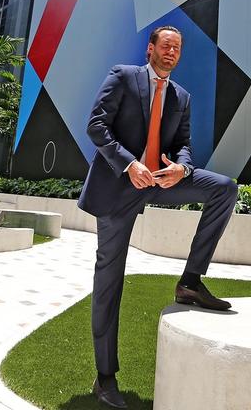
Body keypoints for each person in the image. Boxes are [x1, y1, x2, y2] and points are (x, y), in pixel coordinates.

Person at [80, 25, 238, 408]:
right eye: (166, 45)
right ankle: (105, 378)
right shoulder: (124, 76)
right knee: (109, 280)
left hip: (159, 181)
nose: (171, 52)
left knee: (224, 188)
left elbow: (183, 145)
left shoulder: (181, 96)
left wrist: (182, 168)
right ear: (150, 48)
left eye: (177, 48)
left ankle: (190, 283)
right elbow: (96, 125)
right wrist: (129, 164)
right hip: (120, 187)